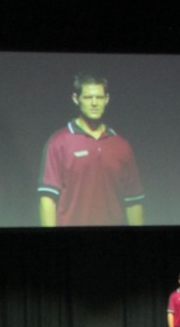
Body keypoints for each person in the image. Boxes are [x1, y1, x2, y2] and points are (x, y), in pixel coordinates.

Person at [38, 73, 144, 227]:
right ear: (76, 99)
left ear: (107, 99)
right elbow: (47, 199)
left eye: (99, 98)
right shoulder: (59, 142)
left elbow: (134, 200)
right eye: (88, 98)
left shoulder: (121, 145)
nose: (94, 103)